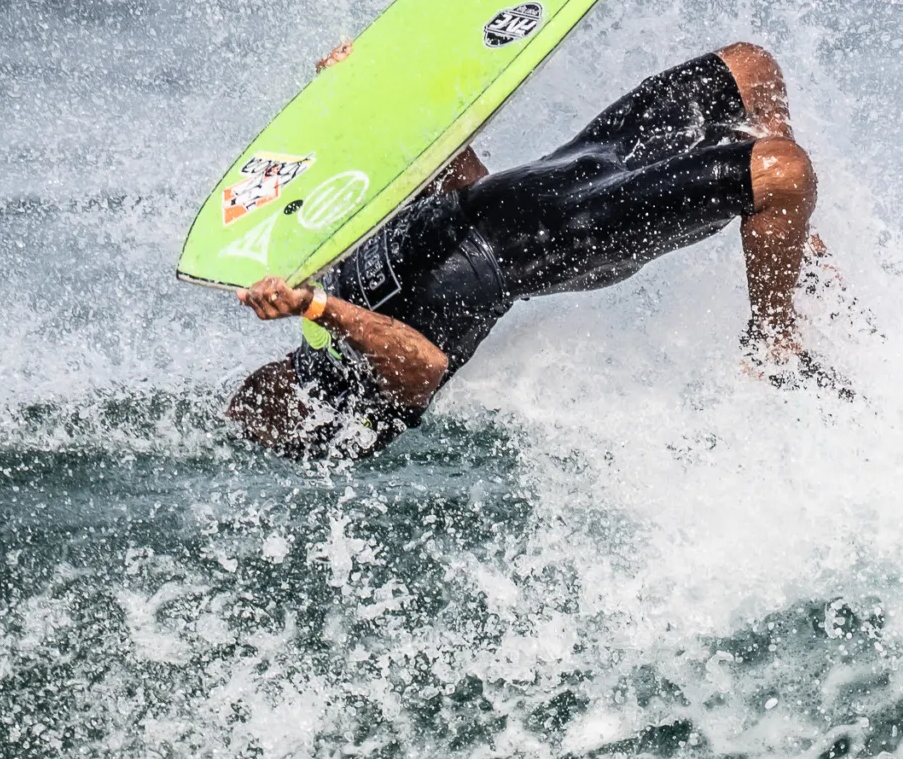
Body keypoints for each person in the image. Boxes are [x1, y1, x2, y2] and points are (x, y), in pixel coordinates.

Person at [225, 41, 833, 461]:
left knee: (749, 68)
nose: (249, 398)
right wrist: (315, 306)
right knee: (781, 172)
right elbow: (426, 365)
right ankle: (773, 336)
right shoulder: (372, 392)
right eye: (260, 413)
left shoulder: (321, 325)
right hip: (574, 235)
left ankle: (784, 242)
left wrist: (362, 99)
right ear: (312, 429)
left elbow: (455, 181)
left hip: (557, 171)